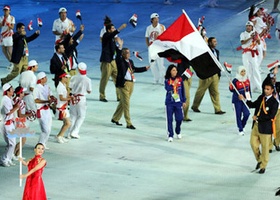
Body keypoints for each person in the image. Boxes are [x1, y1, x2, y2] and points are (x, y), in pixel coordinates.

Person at [239, 82, 278, 174]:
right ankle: (260, 160)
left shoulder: (274, 102)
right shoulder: (261, 98)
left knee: (265, 148)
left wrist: (258, 118)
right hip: (256, 126)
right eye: (265, 89)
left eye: (268, 89)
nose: (266, 91)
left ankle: (263, 166)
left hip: (265, 128)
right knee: (253, 144)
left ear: (272, 90)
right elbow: (252, 105)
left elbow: (271, 116)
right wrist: (244, 99)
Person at [111, 38, 150, 129]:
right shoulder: (120, 61)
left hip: (131, 83)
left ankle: (115, 118)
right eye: (127, 53)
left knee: (123, 102)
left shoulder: (130, 62)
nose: (129, 54)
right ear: (123, 54)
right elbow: (117, 57)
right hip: (123, 84)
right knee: (127, 104)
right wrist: (120, 46)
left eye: (129, 52)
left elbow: (134, 70)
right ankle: (128, 122)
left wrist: (145, 68)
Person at [191, 37, 226, 114]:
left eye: (216, 41)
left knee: (215, 92)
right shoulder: (205, 52)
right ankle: (195, 106)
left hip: (215, 75)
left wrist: (218, 74)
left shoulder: (217, 51)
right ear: (209, 43)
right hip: (206, 76)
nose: (215, 43)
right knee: (201, 92)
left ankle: (218, 109)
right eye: (214, 41)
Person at [99, 23, 127, 102]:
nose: (114, 29)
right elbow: (112, 34)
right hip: (106, 61)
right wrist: (120, 28)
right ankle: (102, 96)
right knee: (104, 79)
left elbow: (116, 50)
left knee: (117, 78)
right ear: (108, 30)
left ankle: (119, 96)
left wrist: (120, 46)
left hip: (113, 61)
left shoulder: (112, 39)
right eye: (112, 28)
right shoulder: (106, 36)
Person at [68, 62, 92, 139]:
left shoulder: (73, 77)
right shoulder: (87, 79)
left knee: (73, 116)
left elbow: (70, 87)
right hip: (81, 98)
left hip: (73, 98)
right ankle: (75, 132)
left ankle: (69, 132)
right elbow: (89, 91)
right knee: (81, 116)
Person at [33, 72, 56, 148]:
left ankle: (43, 143)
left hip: (47, 110)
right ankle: (40, 144)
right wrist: (46, 101)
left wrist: (53, 98)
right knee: (45, 130)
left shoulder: (47, 86)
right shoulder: (36, 88)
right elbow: (36, 100)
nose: (46, 78)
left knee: (48, 129)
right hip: (41, 110)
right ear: (41, 79)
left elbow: (51, 95)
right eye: (45, 77)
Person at [164, 64, 186, 142]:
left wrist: (184, 101)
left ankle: (178, 130)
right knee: (169, 119)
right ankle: (170, 135)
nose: (175, 71)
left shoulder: (180, 79)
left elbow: (183, 90)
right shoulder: (167, 80)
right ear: (170, 71)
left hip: (178, 102)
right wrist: (174, 84)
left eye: (176, 70)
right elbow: (167, 88)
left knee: (180, 118)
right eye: (173, 70)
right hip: (169, 102)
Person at [262, 61, 280, 152]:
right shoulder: (266, 87)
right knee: (269, 129)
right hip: (270, 111)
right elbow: (267, 81)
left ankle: (277, 143)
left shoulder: (277, 85)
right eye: (273, 78)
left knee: (279, 128)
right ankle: (269, 146)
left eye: (275, 77)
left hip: (279, 109)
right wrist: (272, 73)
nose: (274, 79)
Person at [0, 83, 20, 167]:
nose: (13, 90)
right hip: (6, 124)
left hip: (10, 123)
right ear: (7, 91)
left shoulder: (9, 98)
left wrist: (17, 102)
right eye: (11, 89)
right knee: (12, 143)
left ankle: (7, 159)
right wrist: (17, 107)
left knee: (11, 143)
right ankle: (4, 159)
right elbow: (8, 112)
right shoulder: (5, 99)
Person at [240, 21, 261, 93]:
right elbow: (242, 42)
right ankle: (249, 87)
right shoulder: (243, 34)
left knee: (255, 69)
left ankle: (259, 86)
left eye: (249, 26)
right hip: (246, 53)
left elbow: (259, 43)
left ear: (252, 27)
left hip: (253, 54)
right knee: (247, 70)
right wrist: (250, 38)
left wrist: (257, 39)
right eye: (247, 26)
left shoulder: (255, 34)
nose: (248, 27)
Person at [229, 66, 251, 136]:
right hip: (237, 101)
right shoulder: (235, 80)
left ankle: (242, 125)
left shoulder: (247, 80)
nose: (243, 73)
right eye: (242, 71)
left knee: (247, 113)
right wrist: (230, 86)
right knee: (238, 115)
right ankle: (240, 129)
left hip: (245, 101)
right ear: (239, 72)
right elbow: (232, 90)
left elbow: (249, 90)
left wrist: (248, 99)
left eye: (244, 71)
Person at [12, 86, 32, 160]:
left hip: (18, 121)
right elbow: (19, 115)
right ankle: (14, 153)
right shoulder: (19, 102)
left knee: (22, 139)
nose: (24, 94)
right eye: (22, 92)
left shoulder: (15, 100)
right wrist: (29, 115)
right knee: (23, 139)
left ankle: (17, 154)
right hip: (19, 121)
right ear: (20, 93)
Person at [145, 13, 166, 85]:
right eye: (155, 18)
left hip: (159, 48)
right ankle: (156, 78)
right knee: (152, 64)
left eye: (158, 18)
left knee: (161, 64)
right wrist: (148, 46)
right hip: (152, 48)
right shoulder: (148, 28)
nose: (157, 20)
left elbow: (165, 37)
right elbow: (147, 37)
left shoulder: (162, 27)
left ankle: (163, 79)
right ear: (152, 20)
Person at [56, 72, 71, 143]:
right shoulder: (60, 87)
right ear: (62, 78)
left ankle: (60, 136)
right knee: (68, 123)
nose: (67, 79)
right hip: (61, 108)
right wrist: (69, 99)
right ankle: (59, 136)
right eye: (66, 77)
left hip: (64, 107)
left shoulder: (64, 85)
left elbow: (66, 96)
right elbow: (61, 98)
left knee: (65, 123)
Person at [0, 5, 15, 69]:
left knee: (9, 50)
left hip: (9, 35)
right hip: (3, 35)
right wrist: (3, 21)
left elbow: (12, 27)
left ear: (9, 11)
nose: (5, 11)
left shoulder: (12, 18)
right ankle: (11, 62)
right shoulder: (1, 17)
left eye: (7, 10)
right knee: (4, 50)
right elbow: (0, 26)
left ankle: (14, 63)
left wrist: (9, 24)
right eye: (4, 10)